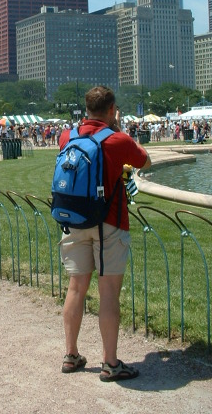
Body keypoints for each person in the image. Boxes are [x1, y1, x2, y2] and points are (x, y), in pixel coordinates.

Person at [58, 86, 151, 382]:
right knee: (108, 292)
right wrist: (118, 128)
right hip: (109, 222)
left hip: (74, 220)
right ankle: (111, 363)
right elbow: (145, 160)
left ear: (87, 109)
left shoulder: (67, 136)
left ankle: (71, 354)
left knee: (76, 289)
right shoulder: (117, 139)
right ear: (112, 110)